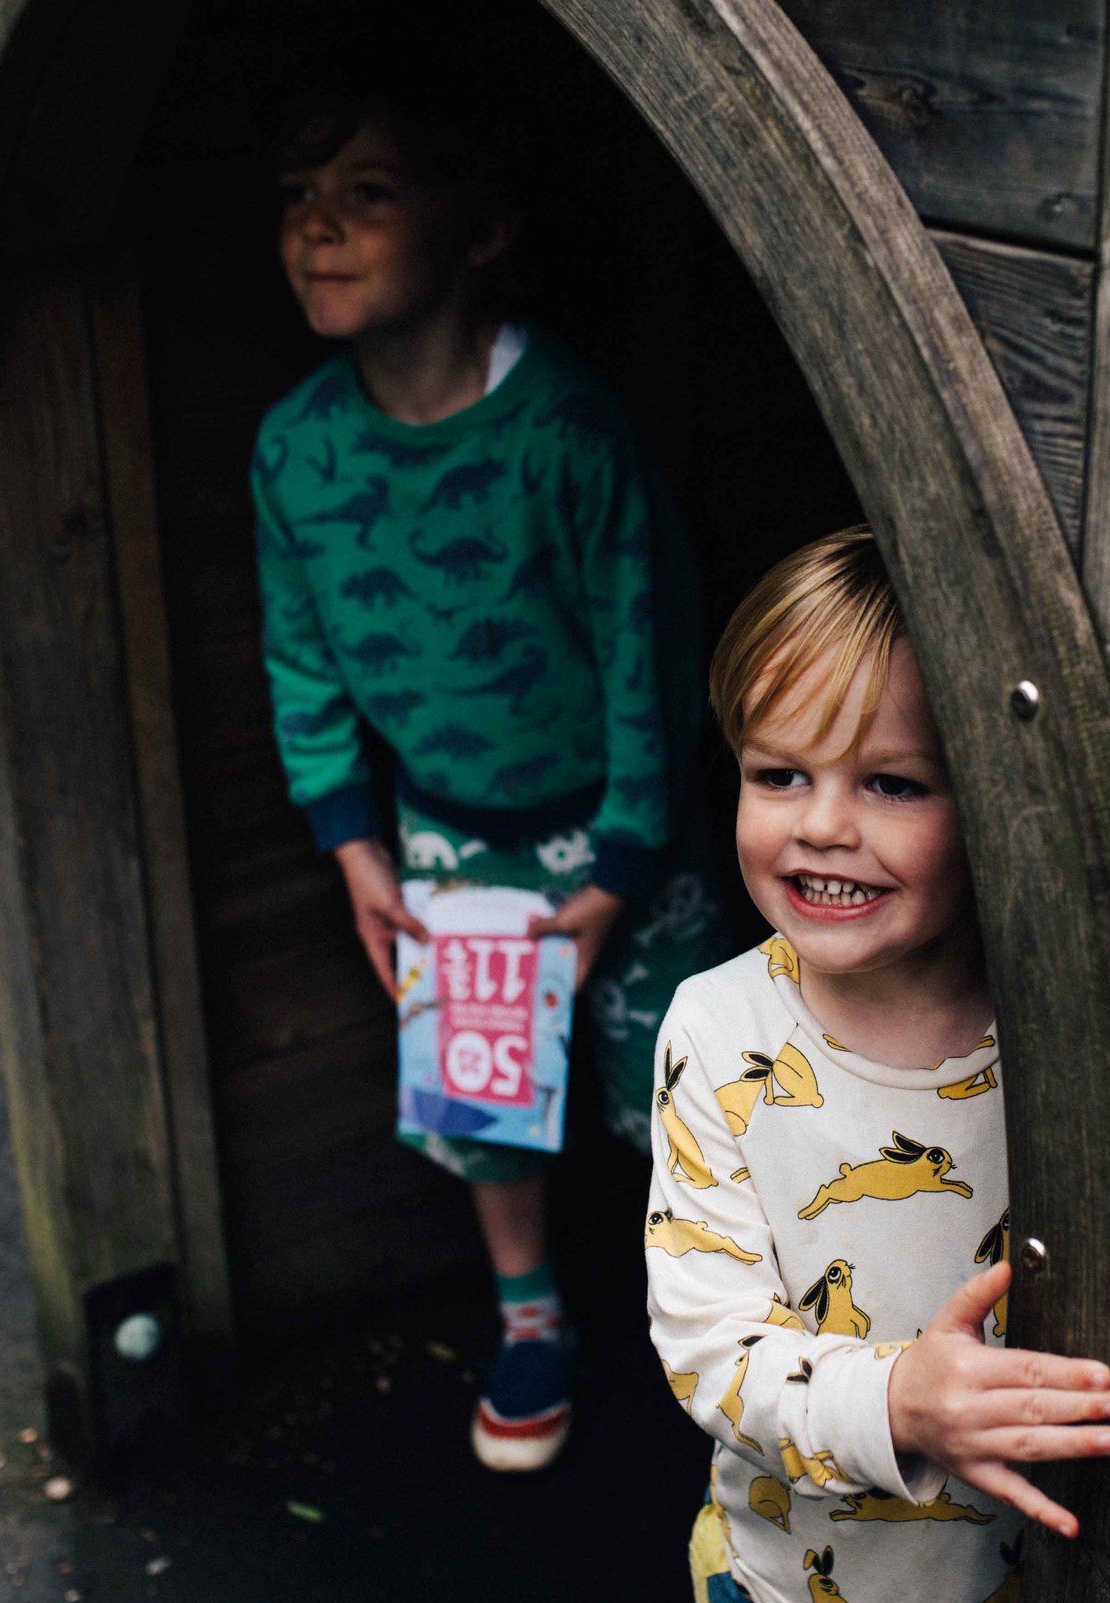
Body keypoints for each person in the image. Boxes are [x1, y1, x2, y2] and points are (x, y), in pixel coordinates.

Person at [253, 70, 722, 1474]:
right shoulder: (295, 450)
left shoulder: (568, 434)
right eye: (297, 203)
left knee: (678, 1092)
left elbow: (651, 650)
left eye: (368, 196)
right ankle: (531, 1318)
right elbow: (304, 666)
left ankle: (719, 1335)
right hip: (447, 831)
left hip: (623, 827)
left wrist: (628, 864)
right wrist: (358, 852)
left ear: (481, 230)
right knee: (483, 1088)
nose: (318, 231)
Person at [646, 529, 1110, 1603]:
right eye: (779, 773)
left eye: (892, 782)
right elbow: (708, 1348)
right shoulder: (716, 1033)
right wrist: (902, 1399)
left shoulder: (1063, 1040)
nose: (820, 824)